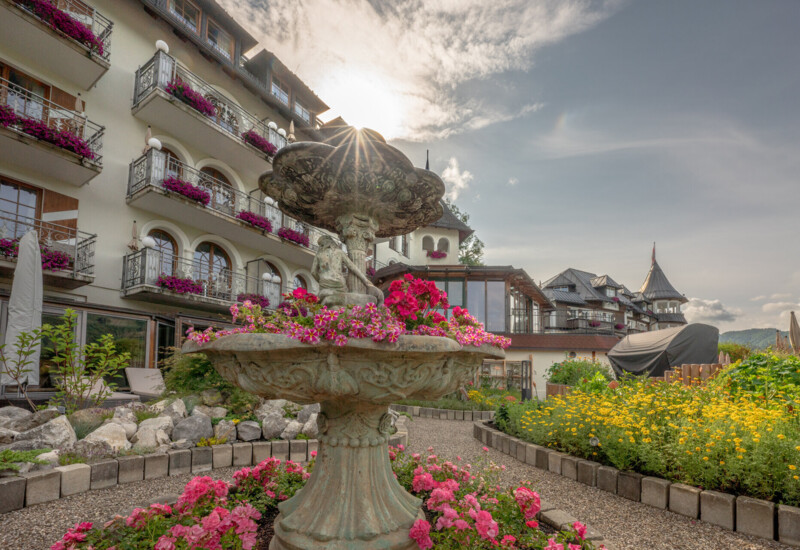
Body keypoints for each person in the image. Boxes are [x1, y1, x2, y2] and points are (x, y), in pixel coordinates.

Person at [311, 236, 383, 306]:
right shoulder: (339, 252)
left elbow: (313, 272)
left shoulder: (319, 254)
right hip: (338, 283)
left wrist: (321, 281)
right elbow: (352, 267)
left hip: (324, 284)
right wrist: (366, 281)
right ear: (331, 242)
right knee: (347, 293)